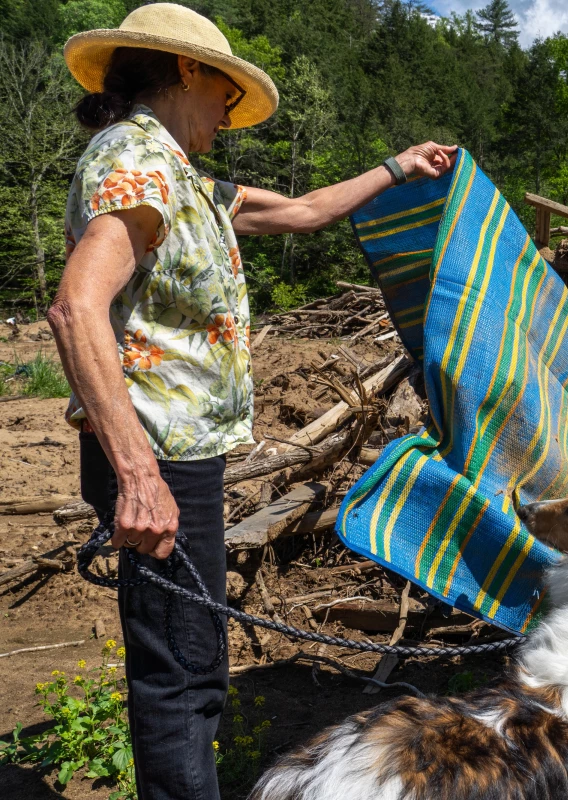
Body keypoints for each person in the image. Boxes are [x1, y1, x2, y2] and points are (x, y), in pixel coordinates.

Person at [51, 5, 457, 798]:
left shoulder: (188, 176)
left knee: (195, 654)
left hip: (181, 457)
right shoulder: (138, 160)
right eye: (225, 95)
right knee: (180, 671)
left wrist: (400, 167)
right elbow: (74, 308)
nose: (229, 116)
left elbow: (303, 212)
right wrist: (138, 477)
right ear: (187, 72)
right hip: (154, 455)